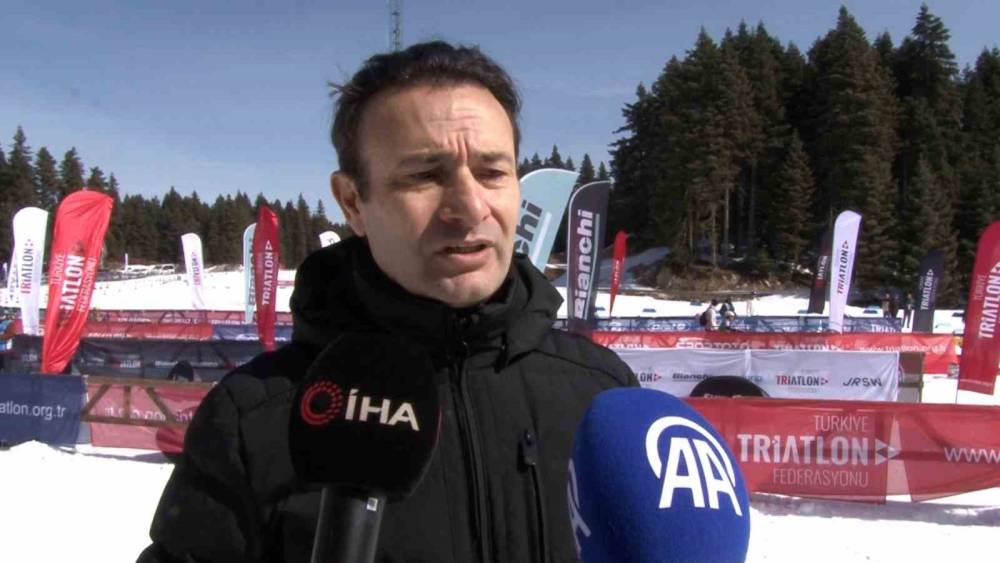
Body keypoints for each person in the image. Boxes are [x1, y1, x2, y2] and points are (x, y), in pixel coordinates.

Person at [139, 41, 637, 562]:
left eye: (492, 172)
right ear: (353, 201)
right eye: (425, 176)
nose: (470, 207)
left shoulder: (604, 396)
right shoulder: (255, 418)